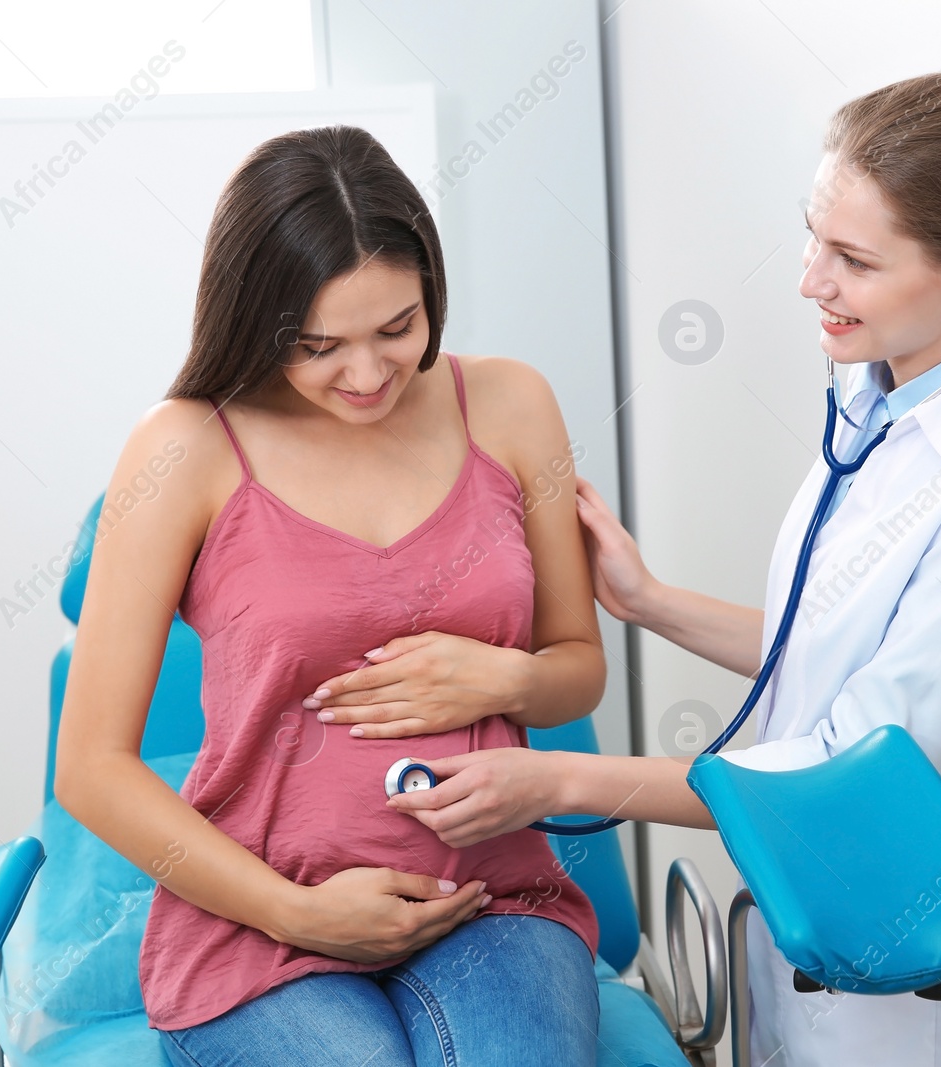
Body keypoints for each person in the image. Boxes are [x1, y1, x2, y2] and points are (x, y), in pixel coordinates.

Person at [369, 73, 941, 1065]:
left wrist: (555, 777)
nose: (809, 280)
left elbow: (838, 766)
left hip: (907, 962)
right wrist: (649, 601)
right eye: (814, 236)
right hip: (810, 910)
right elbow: (824, 649)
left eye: (853, 260)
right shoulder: (881, 400)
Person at [53, 124, 609, 1066]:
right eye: (318, 345)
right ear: (254, 321)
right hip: (262, 916)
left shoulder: (512, 404)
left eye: (398, 328)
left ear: (431, 286)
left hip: (489, 897)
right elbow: (91, 768)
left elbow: (577, 670)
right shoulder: (184, 447)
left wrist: (502, 678)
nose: (366, 375)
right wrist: (300, 912)